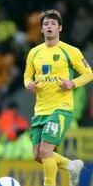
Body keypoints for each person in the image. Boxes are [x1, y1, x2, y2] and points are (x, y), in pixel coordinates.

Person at [24, 9, 93, 186]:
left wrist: (72, 83)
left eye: (53, 24)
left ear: (60, 28)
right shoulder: (34, 53)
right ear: (41, 29)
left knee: (46, 152)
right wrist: (28, 84)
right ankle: (71, 166)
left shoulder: (71, 51)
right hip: (40, 110)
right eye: (46, 24)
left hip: (61, 108)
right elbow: (27, 76)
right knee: (38, 155)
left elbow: (89, 74)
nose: (49, 27)